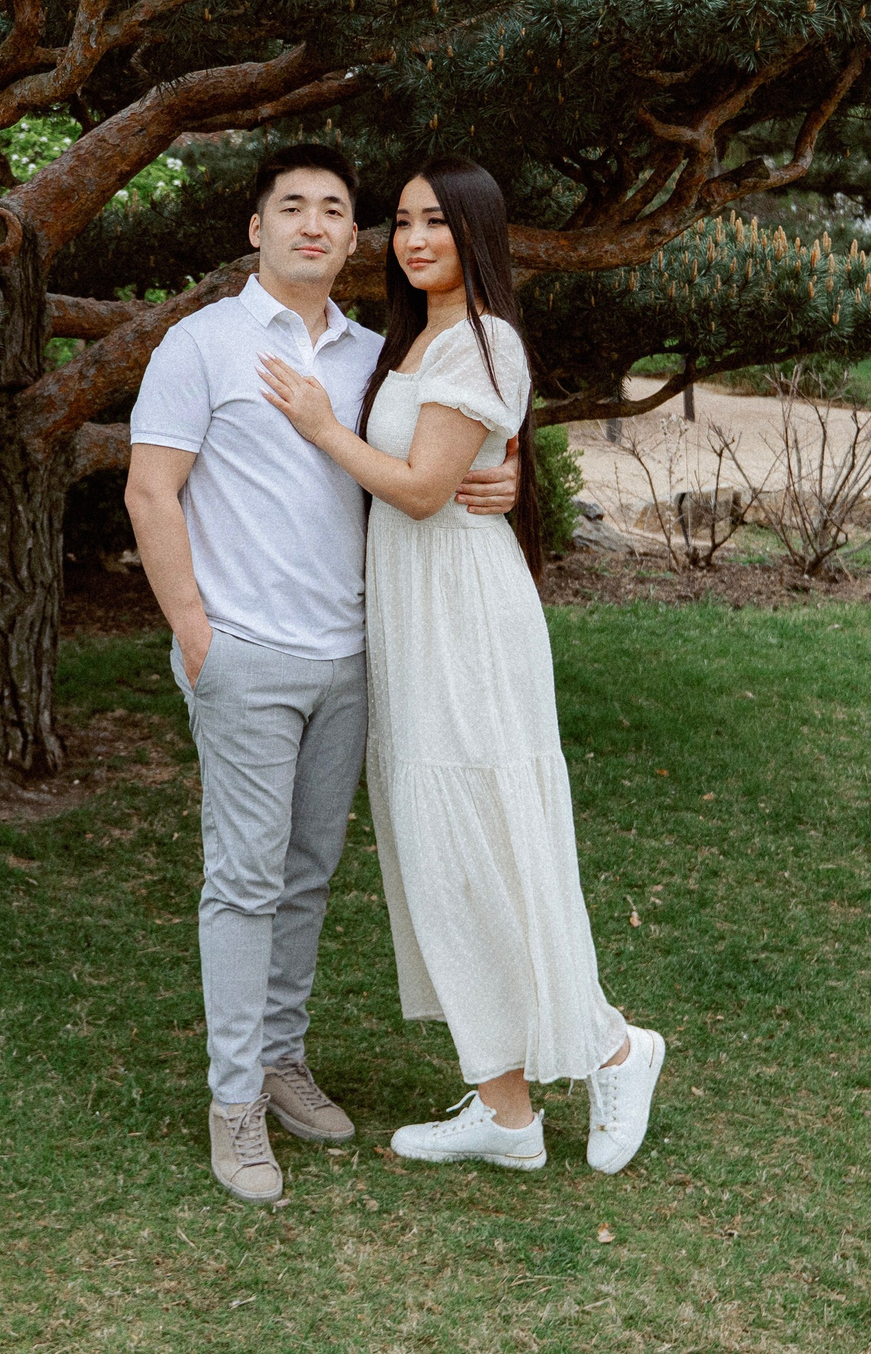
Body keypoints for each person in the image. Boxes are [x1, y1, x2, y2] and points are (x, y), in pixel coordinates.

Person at [125, 144, 520, 1205]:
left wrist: (502, 473)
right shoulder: (198, 344)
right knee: (243, 879)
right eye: (289, 205)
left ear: (355, 240)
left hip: (353, 655)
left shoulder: (376, 356)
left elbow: (429, 450)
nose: (312, 222)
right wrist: (196, 632)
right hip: (244, 655)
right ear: (254, 228)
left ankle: (280, 1060)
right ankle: (233, 1104)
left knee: (305, 875)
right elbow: (150, 493)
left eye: (335, 209)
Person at [257, 156, 665, 1175]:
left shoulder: (481, 343)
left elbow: (425, 488)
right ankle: (505, 1105)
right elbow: (441, 465)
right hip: (414, 615)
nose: (413, 238)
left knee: (489, 838)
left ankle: (616, 1043)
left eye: (435, 221)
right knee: (438, 853)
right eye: (400, 221)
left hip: (465, 623)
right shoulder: (418, 340)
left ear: (476, 232)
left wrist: (316, 425)